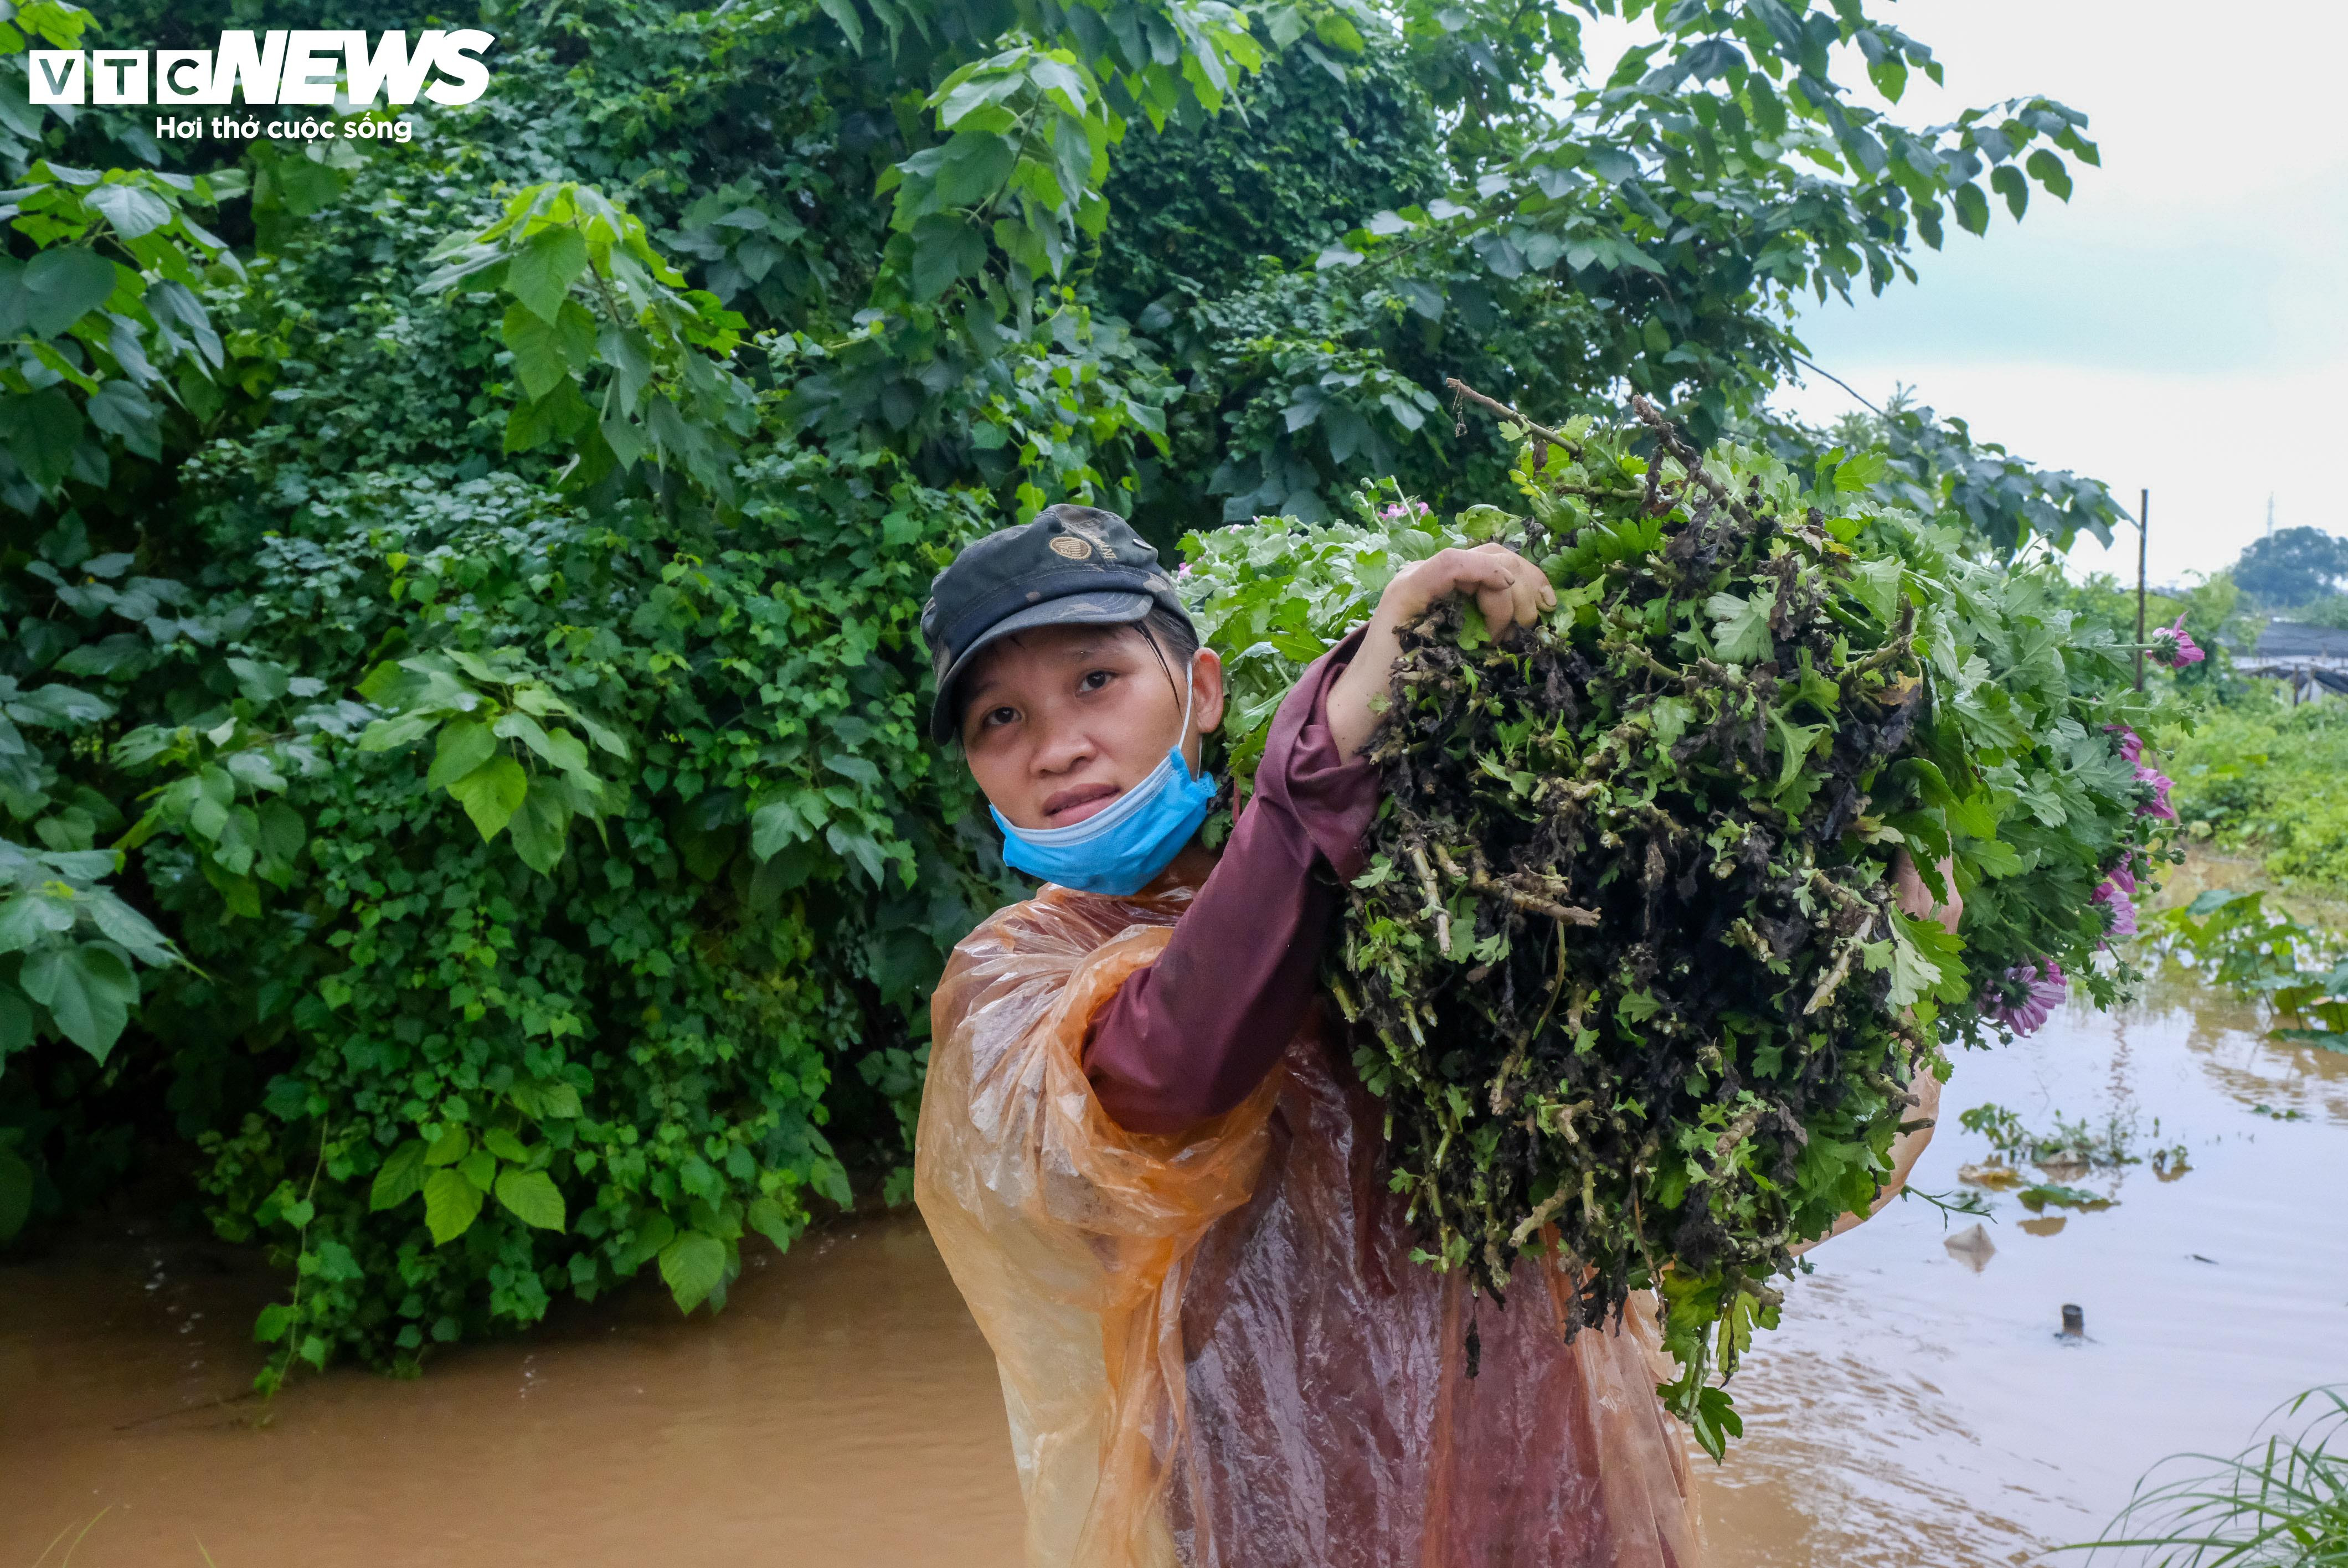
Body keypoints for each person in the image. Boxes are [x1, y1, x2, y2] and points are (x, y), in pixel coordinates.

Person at [912, 503, 1954, 1568]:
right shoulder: (1015, 982)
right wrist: (1323, 754)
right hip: (1268, 1510)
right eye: (1000, 720)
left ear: (1204, 690)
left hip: (1552, 1483)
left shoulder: (1434, 879)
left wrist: (1867, 978)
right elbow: (1169, 1068)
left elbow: (1702, 1176)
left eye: (1096, 681)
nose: (1058, 748)